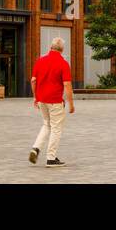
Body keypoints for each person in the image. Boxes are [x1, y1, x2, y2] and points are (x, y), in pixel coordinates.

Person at [29, 36, 74, 167]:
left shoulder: (40, 61)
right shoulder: (63, 63)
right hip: (55, 101)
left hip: (42, 99)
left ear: (50, 47)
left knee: (46, 124)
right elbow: (67, 85)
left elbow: (33, 80)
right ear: (62, 49)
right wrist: (71, 103)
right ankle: (51, 158)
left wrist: (35, 97)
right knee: (56, 128)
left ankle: (36, 148)